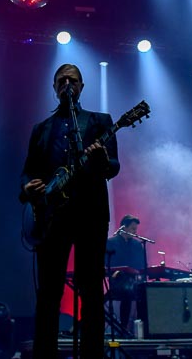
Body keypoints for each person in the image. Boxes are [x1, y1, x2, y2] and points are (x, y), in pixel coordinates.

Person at [21, 63, 120, 358]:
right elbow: (27, 172)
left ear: (81, 87)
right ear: (54, 87)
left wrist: (101, 160)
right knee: (49, 292)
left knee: (91, 290)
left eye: (73, 80)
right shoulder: (41, 129)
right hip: (51, 218)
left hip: (91, 215)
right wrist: (28, 188)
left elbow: (113, 167)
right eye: (62, 80)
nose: (67, 84)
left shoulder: (100, 122)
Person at [105, 214, 146, 333]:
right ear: (124, 227)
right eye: (133, 229)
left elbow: (141, 264)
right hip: (117, 279)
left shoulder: (137, 245)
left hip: (134, 280)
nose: (135, 232)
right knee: (127, 290)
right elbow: (107, 262)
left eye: (136, 229)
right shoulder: (111, 242)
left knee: (145, 291)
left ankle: (143, 329)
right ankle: (123, 328)